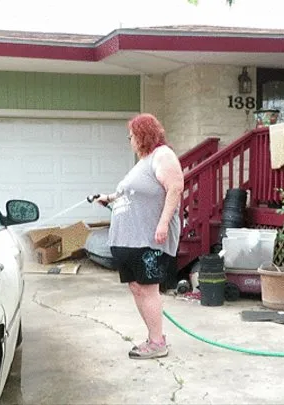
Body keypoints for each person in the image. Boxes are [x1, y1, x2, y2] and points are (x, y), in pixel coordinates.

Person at [92, 113, 184, 360]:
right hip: (131, 239)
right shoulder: (144, 162)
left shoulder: (163, 155)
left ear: (143, 135)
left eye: (131, 135)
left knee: (147, 288)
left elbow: (175, 188)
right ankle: (154, 338)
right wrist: (109, 197)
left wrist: (163, 223)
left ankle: (157, 343)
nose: (130, 140)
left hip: (148, 238)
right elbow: (135, 192)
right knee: (137, 287)